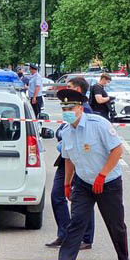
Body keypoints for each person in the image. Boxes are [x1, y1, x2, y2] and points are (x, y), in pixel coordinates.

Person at [47, 88, 129, 260]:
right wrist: (67, 184)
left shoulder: (98, 124)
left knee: (115, 223)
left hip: (108, 182)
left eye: (71, 108)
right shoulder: (66, 132)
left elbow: (117, 150)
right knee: (77, 221)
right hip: (83, 183)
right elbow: (68, 158)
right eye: (64, 108)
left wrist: (102, 174)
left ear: (81, 108)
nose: (67, 112)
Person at [46, 79, 95, 250]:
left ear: (78, 90)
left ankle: (86, 238)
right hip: (66, 159)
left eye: (70, 87)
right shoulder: (70, 109)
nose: (66, 90)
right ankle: (65, 234)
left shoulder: (85, 110)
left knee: (84, 200)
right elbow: (63, 130)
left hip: (80, 160)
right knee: (57, 195)